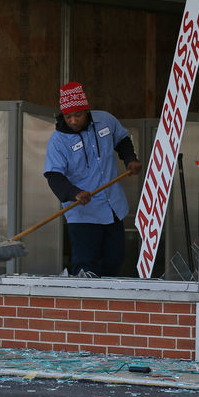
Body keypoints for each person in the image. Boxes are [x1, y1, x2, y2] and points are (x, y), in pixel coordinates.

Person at [44, 82, 142, 277]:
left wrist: (130, 159)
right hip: (83, 213)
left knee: (115, 259)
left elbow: (122, 140)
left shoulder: (105, 120)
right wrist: (73, 193)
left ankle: (107, 304)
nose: (73, 121)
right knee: (86, 267)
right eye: (68, 116)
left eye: (78, 115)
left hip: (113, 208)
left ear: (86, 110)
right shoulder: (58, 141)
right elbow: (54, 175)